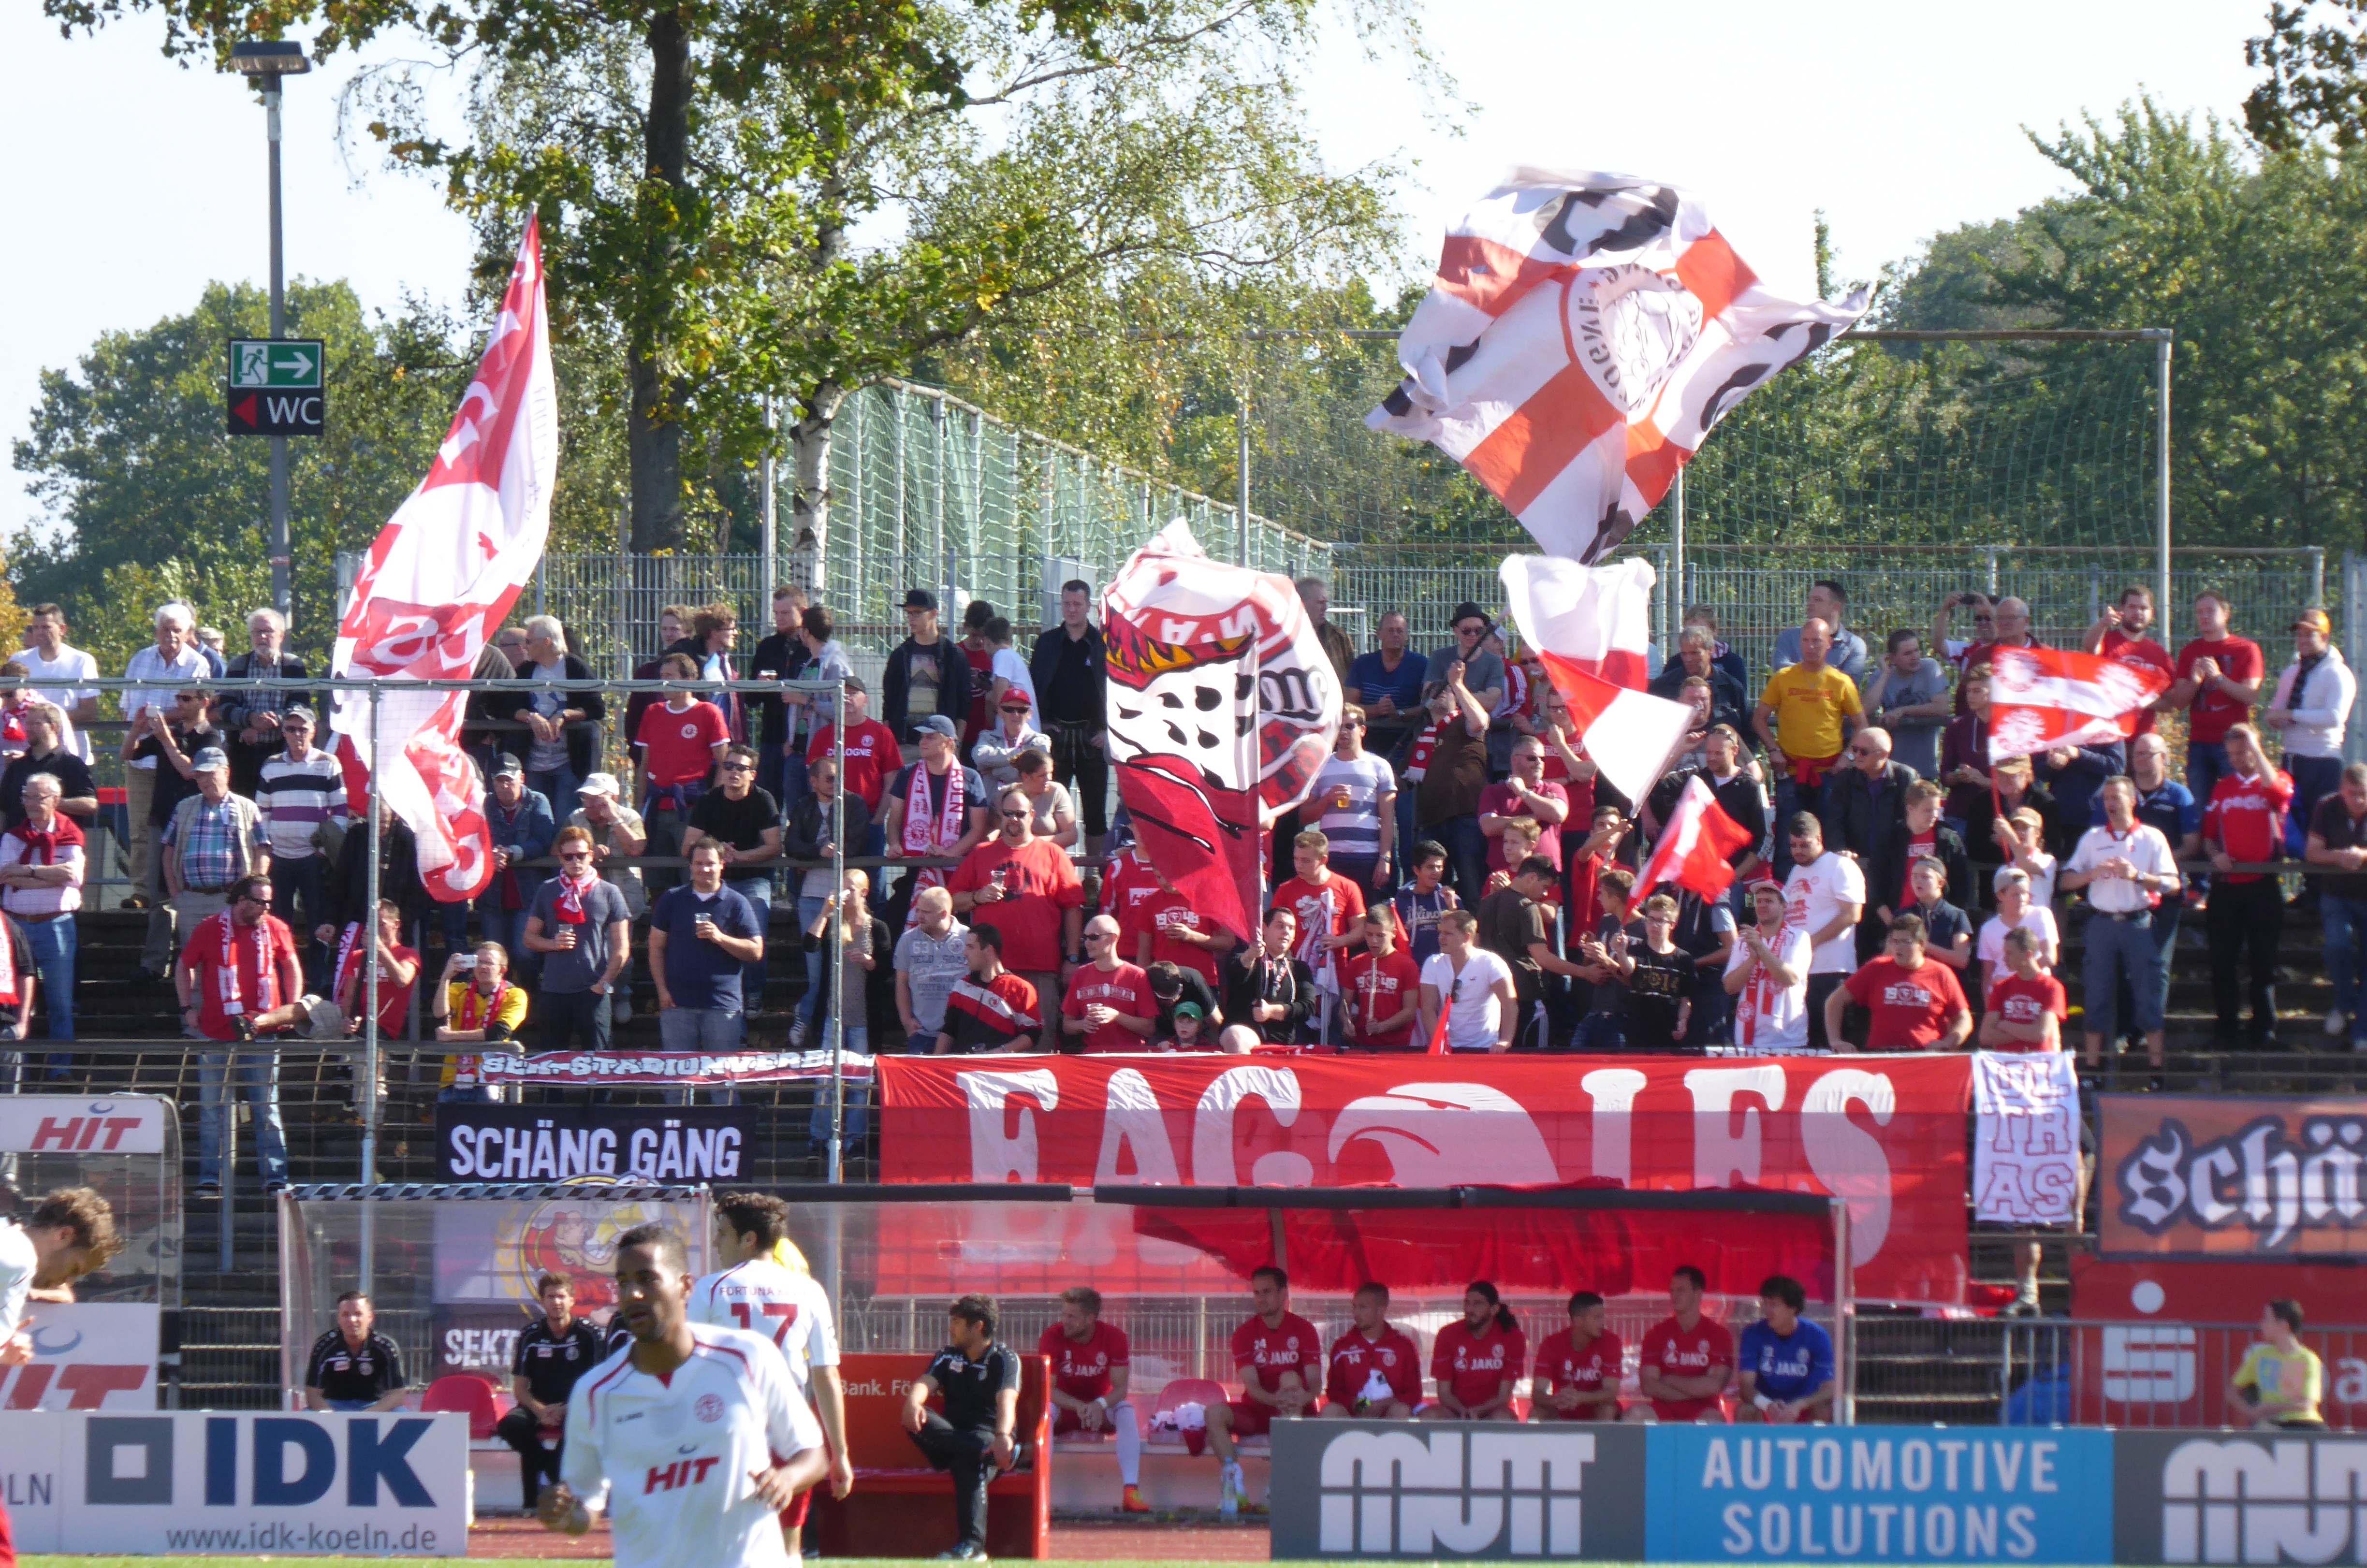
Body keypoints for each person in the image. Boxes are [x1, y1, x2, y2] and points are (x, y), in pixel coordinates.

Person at [539, 1225, 827, 1566]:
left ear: (686, 1287)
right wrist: (562, 1515)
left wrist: (787, 1478)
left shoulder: (748, 1358)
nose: (633, 1294)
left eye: (648, 1279)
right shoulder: (596, 1392)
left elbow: (814, 1454)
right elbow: (585, 1509)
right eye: (624, 1282)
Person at [692, 1192, 856, 1536]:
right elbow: (826, 1375)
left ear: (748, 1239)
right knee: (788, 1545)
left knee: (722, 1543)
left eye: (722, 1233)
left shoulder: (711, 1289)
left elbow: (689, 1368)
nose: (716, 1242)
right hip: (790, 1429)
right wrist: (840, 1453)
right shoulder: (809, 1290)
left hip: (728, 1426)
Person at [179, 873, 297, 1193]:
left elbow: (291, 965)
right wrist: (186, 1007)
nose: (266, 908)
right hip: (215, 1033)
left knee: (267, 1109)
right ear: (241, 901)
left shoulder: (276, 927)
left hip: (262, 1032)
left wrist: (293, 1007)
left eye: (269, 903)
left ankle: (275, 1178)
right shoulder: (209, 928)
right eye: (260, 902)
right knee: (212, 1109)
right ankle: (211, 1177)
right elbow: (184, 964)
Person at [2064, 775, 2184, 1075]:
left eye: (2117, 798)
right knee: (2097, 993)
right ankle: (2092, 1069)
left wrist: (2138, 876)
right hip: (2102, 923)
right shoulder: (2093, 838)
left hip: (2138, 923)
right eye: (2107, 799)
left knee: (2148, 993)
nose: (2111, 804)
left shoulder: (2152, 837)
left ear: (2133, 800)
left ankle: (2156, 1070)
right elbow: (2066, 880)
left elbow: (2173, 885)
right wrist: (2091, 875)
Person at [948, 786, 1083, 1045]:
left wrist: (1073, 957)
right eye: (1008, 813)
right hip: (991, 971)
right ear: (1000, 815)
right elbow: (953, 899)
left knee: (1039, 1046)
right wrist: (977, 897)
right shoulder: (981, 853)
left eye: (1020, 814)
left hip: (1041, 968)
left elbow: (1073, 908)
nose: (1014, 819)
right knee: (990, 1047)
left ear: (1032, 816)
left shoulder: (1053, 853)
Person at [898, 1294, 1023, 1560]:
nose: (950, 1328)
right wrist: (913, 1402)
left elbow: (1007, 1400)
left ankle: (972, 1548)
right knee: (920, 1419)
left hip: (989, 1435)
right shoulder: (948, 1355)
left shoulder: (1004, 1358)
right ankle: (980, 1451)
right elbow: (926, 1382)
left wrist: (1002, 1436)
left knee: (968, 1464)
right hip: (953, 1440)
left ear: (977, 1326)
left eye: (956, 1322)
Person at [2203, 723, 2293, 1045]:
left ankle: (2264, 1030)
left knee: (2263, 962)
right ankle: (2226, 1028)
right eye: (2232, 754)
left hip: (2263, 885)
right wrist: (2216, 855)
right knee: (2222, 962)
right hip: (2227, 886)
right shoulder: (2222, 788)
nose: (2238, 759)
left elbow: (2280, 795)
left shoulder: (2276, 778)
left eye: (2243, 752)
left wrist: (2255, 748)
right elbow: (2209, 836)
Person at [120, 602, 212, 912]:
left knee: (178, 828)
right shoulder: (139, 660)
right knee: (139, 830)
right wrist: (139, 727)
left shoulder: (198, 665)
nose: (171, 635)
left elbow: (197, 707)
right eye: (166, 629)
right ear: (156, 631)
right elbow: (126, 707)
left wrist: (159, 721)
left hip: (177, 757)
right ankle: (141, 891)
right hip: (142, 756)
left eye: (177, 630)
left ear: (188, 633)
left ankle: (175, 891)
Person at [1206, 1266, 1319, 1516]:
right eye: (1257, 1293)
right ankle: (1235, 1486)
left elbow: (1315, 1382)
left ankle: (1281, 1482)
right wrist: (1274, 1400)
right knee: (1214, 1413)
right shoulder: (1245, 1334)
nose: (1261, 1299)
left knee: (1290, 1378)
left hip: (1296, 1412)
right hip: (1259, 1410)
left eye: (1267, 1292)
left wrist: (1301, 1397)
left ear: (1283, 1294)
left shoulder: (1304, 1329)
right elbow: (1252, 1386)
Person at [680, 744, 783, 1010]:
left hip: (753, 878)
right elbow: (687, 847)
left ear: (753, 775)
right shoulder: (709, 800)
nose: (733, 772)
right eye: (729, 766)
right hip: (712, 881)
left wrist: (739, 856)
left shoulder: (763, 799)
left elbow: (774, 846)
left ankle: (754, 994)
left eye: (741, 768)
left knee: (755, 927)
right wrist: (715, 848)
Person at [499, 1272, 608, 1511]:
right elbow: (519, 1389)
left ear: (572, 1300)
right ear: (542, 1301)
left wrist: (565, 1409)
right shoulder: (530, 1335)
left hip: (577, 1407)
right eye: (551, 1297)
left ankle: (550, 1485)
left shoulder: (589, 1335)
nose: (556, 1302)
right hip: (538, 1406)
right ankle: (548, 1467)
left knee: (575, 1437)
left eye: (561, 1297)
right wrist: (540, 1411)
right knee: (509, 1426)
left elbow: (597, 1386)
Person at [1754, 618, 1863, 849]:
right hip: (1790, 772)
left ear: (1829, 644)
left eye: (1817, 641)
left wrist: (1848, 757)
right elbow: (1759, 719)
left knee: (1829, 836)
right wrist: (1773, 750)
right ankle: (1784, 883)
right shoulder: (1783, 678)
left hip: (1830, 773)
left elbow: (1861, 725)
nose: (1811, 647)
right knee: (1788, 838)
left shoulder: (1842, 682)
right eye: (1806, 641)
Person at [785, 755, 871, 1047]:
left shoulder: (854, 803)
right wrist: (817, 852)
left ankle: (814, 1021)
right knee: (816, 969)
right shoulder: (803, 805)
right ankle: (808, 1017)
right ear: (814, 781)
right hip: (812, 895)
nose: (837, 783)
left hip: (846, 897)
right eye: (830, 778)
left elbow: (857, 842)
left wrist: (822, 853)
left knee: (841, 970)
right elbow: (792, 844)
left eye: (840, 777)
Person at [649, 840, 766, 1050]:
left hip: (722, 1005)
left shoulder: (737, 902)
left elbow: (756, 951)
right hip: (677, 1004)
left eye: (710, 863)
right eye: (698, 863)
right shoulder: (672, 899)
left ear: (722, 864)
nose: (704, 869)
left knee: (720, 1079)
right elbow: (656, 947)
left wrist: (720, 938)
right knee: (678, 1079)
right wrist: (662, 991)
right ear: (691, 866)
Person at [254, 707, 346, 976]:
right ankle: (280, 979)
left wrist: (321, 850)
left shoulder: (328, 763)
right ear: (283, 732)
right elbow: (262, 812)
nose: (297, 735)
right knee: (279, 923)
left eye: (302, 729)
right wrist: (269, 847)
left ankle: (318, 980)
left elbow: (340, 811)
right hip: (279, 858)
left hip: (312, 858)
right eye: (291, 729)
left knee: (319, 922)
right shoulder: (271, 765)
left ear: (313, 731)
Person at [1037, 1286, 1146, 1512]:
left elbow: (1121, 1390)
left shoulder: (1115, 1338)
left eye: (1072, 1316)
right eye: (1064, 1315)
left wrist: (1099, 1405)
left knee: (1125, 1409)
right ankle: (1040, 1494)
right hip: (1066, 1410)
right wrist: (1080, 1406)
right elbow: (1048, 1388)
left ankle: (1130, 1492)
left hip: (1098, 1412)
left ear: (1091, 1318)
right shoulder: (1052, 1337)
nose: (1065, 1321)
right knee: (1045, 1409)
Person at [524, 828, 634, 1050]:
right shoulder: (547, 890)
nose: (575, 861)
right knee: (552, 1067)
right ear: (560, 858)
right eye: (568, 857)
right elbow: (529, 938)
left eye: (581, 855)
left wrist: (604, 984)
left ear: (591, 855)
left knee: (598, 1066)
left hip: (593, 989)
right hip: (554, 989)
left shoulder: (610, 892)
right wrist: (553, 944)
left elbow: (622, 948)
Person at [881, 716, 991, 932]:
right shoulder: (907, 774)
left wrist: (950, 853)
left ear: (949, 742)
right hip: (915, 870)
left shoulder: (971, 778)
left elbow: (979, 829)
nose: (923, 742)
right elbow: (894, 821)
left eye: (930, 737)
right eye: (922, 737)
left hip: (957, 876)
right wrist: (894, 844)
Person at [0, 774, 83, 1053]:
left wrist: (28, 871)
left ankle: (61, 1070)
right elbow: (5, 877)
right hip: (15, 927)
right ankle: (16, 1065)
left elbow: (73, 877)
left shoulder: (71, 834)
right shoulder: (12, 837)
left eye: (39, 798)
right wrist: (51, 877)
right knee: (14, 1005)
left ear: (56, 801)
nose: (31, 804)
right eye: (28, 797)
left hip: (56, 925)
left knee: (60, 1002)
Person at [2267, 609, 2355, 865]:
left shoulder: (2338, 673)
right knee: (2294, 827)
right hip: (2292, 758)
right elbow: (2277, 709)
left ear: (2325, 637)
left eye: (2310, 634)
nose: (2303, 640)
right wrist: (2274, 718)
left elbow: (2335, 717)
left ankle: (2319, 892)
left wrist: (2292, 714)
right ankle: (2304, 888)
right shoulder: (2292, 671)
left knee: (2321, 829)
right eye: (2300, 634)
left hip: (2322, 759)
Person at [635, 652, 731, 887]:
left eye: (670, 676)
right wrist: (639, 807)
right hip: (657, 807)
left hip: (691, 809)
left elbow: (724, 764)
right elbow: (644, 764)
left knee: (692, 876)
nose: (664, 681)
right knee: (656, 881)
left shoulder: (708, 712)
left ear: (688, 680)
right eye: (662, 676)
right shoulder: (653, 712)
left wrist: (713, 804)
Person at [1029, 580, 1110, 855]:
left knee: (1096, 813)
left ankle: (1092, 881)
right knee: (1050, 813)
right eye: (1067, 604)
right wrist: (1044, 725)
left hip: (1093, 739)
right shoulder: (1048, 643)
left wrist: (1108, 730)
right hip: (1057, 740)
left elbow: (1119, 689)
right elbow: (1035, 687)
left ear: (1089, 606)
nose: (1072, 610)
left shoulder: (1102, 644)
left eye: (1077, 604)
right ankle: (1054, 877)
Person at [2167, 590, 2266, 811]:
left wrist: (2219, 678)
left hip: (2234, 744)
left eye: (2210, 611)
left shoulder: (2246, 649)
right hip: (2200, 742)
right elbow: (2179, 703)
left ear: (2226, 614)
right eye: (2199, 612)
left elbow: (2251, 695)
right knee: (2199, 807)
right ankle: (2204, 846)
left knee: (2239, 803)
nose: (2204, 617)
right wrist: (2194, 682)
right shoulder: (2190, 652)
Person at [460, 754, 556, 968]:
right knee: (495, 957)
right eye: (499, 781)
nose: (504, 786)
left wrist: (512, 853)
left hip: (529, 895)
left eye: (509, 781)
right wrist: (490, 854)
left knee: (525, 954)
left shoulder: (538, 802)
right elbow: (472, 838)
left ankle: (530, 996)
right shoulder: (485, 805)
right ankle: (499, 999)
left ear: (522, 778)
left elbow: (543, 841)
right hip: (493, 897)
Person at [1826, 913, 1972, 1053]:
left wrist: (1948, 1043)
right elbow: (1834, 1002)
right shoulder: (1877, 968)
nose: (1898, 947)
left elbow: (1964, 1019)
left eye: (1905, 942)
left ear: (1921, 944)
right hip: (1882, 1055)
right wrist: (1836, 1041)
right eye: (1894, 941)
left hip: (1924, 1055)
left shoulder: (1941, 973)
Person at [1782, 813, 1863, 1053]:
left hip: (1832, 969)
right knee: (1809, 1046)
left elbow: (1852, 915)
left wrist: (1808, 944)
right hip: (1800, 973)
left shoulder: (1841, 865)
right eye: (1794, 845)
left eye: (1805, 845)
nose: (1799, 851)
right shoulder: (1795, 872)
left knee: (1833, 1046)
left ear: (1820, 839)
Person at [510, 616, 607, 813]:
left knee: (565, 821)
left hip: (568, 764)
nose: (525, 647)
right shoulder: (526, 670)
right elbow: (509, 706)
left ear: (546, 643)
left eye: (529, 642)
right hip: (534, 764)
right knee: (537, 821)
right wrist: (531, 717)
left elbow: (596, 708)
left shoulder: (575, 667)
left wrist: (564, 715)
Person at [1415, 662, 1493, 903]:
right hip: (1431, 822)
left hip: (1465, 818)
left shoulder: (1463, 724)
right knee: (1435, 891)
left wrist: (1458, 684)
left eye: (1446, 691)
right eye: (1434, 692)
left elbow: (1480, 721)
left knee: (1472, 883)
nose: (1441, 693)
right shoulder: (1422, 735)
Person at [218, 607, 316, 797]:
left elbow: (302, 706)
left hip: (282, 750)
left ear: (281, 636)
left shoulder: (293, 666)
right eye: (257, 632)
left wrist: (271, 721)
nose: (262, 637)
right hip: (243, 752)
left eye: (268, 631)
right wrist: (249, 719)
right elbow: (225, 707)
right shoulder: (238, 665)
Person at [805, 677, 900, 866]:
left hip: (869, 818)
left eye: (853, 693)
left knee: (871, 884)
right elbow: (813, 778)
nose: (847, 698)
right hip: (831, 819)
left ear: (865, 700)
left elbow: (893, 780)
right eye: (842, 694)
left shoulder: (881, 734)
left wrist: (880, 817)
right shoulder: (824, 736)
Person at [1486, 856, 1576, 1049]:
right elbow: (1541, 957)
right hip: (1527, 995)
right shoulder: (1528, 908)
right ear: (1532, 878)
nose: (1544, 894)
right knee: (1535, 1059)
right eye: (1545, 887)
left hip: (1494, 998)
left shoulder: (1487, 903)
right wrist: (1585, 973)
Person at [2308, 763, 2367, 1052]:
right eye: (2353, 794)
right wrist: (2340, 858)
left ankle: (2361, 1030)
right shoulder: (2326, 808)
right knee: (2337, 946)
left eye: (2364, 795)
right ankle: (2344, 1003)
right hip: (2336, 895)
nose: (2359, 801)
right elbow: (2313, 852)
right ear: (2342, 791)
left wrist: (2362, 855)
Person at [1628, 1266, 1734, 1424]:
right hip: (1663, 1408)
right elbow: (1649, 1385)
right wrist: (1693, 1392)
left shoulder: (1719, 1335)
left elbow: (1714, 1386)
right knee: (1633, 1416)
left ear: (1698, 1293)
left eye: (1681, 1290)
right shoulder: (1656, 1334)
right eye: (1673, 1291)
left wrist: (1670, 1380)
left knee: (1714, 1422)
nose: (1675, 1296)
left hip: (1703, 1409)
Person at [1725, 880, 1814, 1055]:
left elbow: (1790, 978)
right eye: (1759, 901)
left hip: (1788, 1039)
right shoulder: (1744, 940)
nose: (1762, 905)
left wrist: (1760, 949)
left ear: (1784, 906)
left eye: (1769, 901)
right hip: (1747, 1038)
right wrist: (1752, 960)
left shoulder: (1799, 938)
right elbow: (1730, 987)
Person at [1313, 707, 1397, 893]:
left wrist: (1385, 858)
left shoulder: (1380, 766)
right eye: (1339, 726)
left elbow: (1388, 817)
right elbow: (1305, 817)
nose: (1343, 731)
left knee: (1367, 918)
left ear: (1363, 730)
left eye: (1349, 726)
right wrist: (1327, 800)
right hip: (1329, 855)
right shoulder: (1320, 766)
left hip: (1367, 855)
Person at [1735, 1275, 1836, 1425]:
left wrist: (1800, 1405)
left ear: (1793, 1309)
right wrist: (1767, 1405)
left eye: (1774, 1305)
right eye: (1765, 1304)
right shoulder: (1753, 1333)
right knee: (1746, 1411)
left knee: (1825, 1412)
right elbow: (1746, 1385)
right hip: (1767, 1406)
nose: (1767, 1311)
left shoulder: (1817, 1336)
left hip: (1803, 1407)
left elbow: (1830, 1389)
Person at [748, 586, 815, 809]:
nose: (779, 619)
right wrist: (759, 687)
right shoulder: (768, 646)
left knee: (803, 806)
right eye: (776, 613)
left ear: (802, 612)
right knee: (767, 804)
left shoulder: (812, 648)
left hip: (805, 741)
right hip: (772, 738)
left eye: (785, 613)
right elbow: (750, 700)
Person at [432, 941, 525, 1101]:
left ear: (503, 970)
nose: (482, 967)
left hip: (491, 1080)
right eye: (479, 962)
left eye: (489, 963)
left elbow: (498, 1033)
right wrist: (445, 978)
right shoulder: (458, 989)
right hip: (453, 1078)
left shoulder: (515, 994)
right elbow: (440, 1017)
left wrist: (451, 1037)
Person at [1216, 907, 1317, 1052]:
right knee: (1236, 1036)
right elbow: (1235, 974)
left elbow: (1308, 1007)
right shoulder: (1244, 954)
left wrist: (1272, 1011)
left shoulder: (1300, 968)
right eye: (1280, 926)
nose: (1286, 932)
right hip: (1245, 1031)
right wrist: (1250, 955)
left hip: (1281, 1041)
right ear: (1264, 929)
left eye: (1291, 928)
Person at [883, 588, 973, 751]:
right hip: (905, 744)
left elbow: (963, 705)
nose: (911, 618)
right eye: (908, 613)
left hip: (941, 743)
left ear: (934, 614)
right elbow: (889, 704)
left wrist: (956, 744)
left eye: (917, 613)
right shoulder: (900, 655)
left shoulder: (953, 656)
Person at [1416, 907, 1516, 1053]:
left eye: (1448, 934)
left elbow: (1510, 1004)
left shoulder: (1491, 962)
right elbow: (1428, 1008)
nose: (1441, 938)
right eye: (1440, 933)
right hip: (1448, 1050)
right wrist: (1440, 1042)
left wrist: (1505, 1041)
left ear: (1467, 937)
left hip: (1483, 1049)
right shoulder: (1433, 963)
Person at [11, 604, 100, 763]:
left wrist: (49, 721)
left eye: (46, 627)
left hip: (72, 754)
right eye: (36, 628)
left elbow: (89, 711)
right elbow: (7, 704)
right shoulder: (19, 661)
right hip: (28, 753)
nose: (40, 632)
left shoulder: (81, 661)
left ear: (62, 629)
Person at [935, 924, 1043, 1054]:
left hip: (1001, 1068)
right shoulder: (961, 987)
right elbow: (948, 1031)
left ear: (989, 950)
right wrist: (936, 1062)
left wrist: (1000, 1052)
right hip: (964, 1067)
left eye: (971, 947)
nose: (965, 953)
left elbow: (1032, 1034)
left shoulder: (1021, 989)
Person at [1426, 1282, 1525, 1422]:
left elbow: (1503, 1397)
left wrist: (1477, 1411)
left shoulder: (1513, 1337)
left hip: (1493, 1411)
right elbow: (1444, 1393)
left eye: (1478, 1304)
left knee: (1503, 1418)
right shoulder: (1447, 1335)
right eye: (1467, 1303)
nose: (1470, 1309)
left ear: (1494, 1309)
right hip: (1455, 1410)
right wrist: (1463, 1411)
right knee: (1429, 1416)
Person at [1320, 1282, 1420, 1420]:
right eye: (1354, 1307)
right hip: (1355, 1415)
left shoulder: (1403, 1347)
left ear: (1381, 1311)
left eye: (1363, 1308)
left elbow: (1414, 1394)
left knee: (1401, 1411)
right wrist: (1359, 1404)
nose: (1356, 1313)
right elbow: (1334, 1392)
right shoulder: (1342, 1347)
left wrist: (1383, 1404)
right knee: (1330, 1411)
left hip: (1389, 1414)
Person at [1859, 629, 1950, 779]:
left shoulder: (1930, 668)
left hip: (1924, 768)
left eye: (1917, 651)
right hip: (1891, 769)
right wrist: (1886, 674)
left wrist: (1902, 711)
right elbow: (1867, 709)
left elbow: (1942, 708)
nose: (1915, 657)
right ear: (1893, 658)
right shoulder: (1883, 675)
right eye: (1908, 654)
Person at [2086, 586, 2175, 737]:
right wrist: (2103, 623)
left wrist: (2143, 702)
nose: (2138, 613)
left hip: (2143, 737)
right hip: (2110, 735)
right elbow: (2089, 647)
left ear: (2152, 613)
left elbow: (2171, 703)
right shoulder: (2108, 640)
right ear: (2122, 610)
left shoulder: (2160, 654)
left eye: (2143, 608)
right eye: (2132, 607)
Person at [1820, 727, 1913, 868]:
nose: (1857, 755)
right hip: (1855, 861)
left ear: (1884, 755)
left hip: (1894, 863)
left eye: (1864, 752)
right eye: (1855, 749)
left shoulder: (1905, 778)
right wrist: (1840, 850)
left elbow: (1910, 822)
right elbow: (1834, 822)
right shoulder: (1845, 779)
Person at [1479, 736, 1571, 877]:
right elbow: (1489, 827)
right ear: (1514, 760)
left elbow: (1558, 815)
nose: (1539, 763)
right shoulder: (1493, 791)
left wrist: (1523, 792)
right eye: (1532, 758)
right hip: (1505, 874)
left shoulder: (1553, 789)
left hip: (1545, 875)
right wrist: (1537, 816)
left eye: (1543, 759)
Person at [1061, 914, 1154, 1052]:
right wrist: (1083, 1024)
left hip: (1129, 1057)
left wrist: (1116, 1016)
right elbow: (1067, 1026)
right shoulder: (1081, 974)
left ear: (1113, 938)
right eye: (1085, 938)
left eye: (1094, 938)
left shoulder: (1137, 975)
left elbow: (1150, 1028)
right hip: (1093, 1056)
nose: (1087, 943)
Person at [302, 1289, 408, 1411]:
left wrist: (366, 1416)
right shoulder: (324, 1346)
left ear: (370, 1317)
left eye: (358, 1314)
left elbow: (398, 1394)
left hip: (374, 1407)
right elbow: (313, 1394)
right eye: (346, 1315)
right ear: (339, 1319)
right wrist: (330, 1416)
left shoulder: (386, 1347)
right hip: (334, 1407)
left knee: (401, 1413)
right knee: (307, 1413)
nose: (352, 1320)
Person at [2228, 1300, 2325, 1430]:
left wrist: (2271, 1408)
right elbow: (2231, 1391)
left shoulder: (2308, 1359)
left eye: (2267, 1319)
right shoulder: (2260, 1356)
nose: (2262, 1324)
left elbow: (2306, 1405)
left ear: (2283, 1325)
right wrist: (2251, 1412)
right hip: (2272, 1424)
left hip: (2304, 1423)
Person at [895, 886, 970, 1048]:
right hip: (922, 1032)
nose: (919, 916)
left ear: (944, 914)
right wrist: (907, 1020)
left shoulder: (968, 937)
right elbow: (902, 982)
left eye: (926, 913)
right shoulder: (908, 940)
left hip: (960, 1032)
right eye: (919, 910)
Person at [1619, 894, 1696, 1049]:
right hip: (1636, 1036)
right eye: (1651, 919)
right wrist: (1621, 952)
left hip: (1668, 1038)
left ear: (1672, 925)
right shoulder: (1637, 951)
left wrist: (1683, 1022)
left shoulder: (1684, 959)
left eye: (1660, 921)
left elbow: (1686, 998)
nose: (1654, 925)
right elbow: (1627, 969)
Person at [1346, 611, 1427, 759]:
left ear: (1407, 635)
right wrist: (1377, 709)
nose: (1396, 635)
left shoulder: (1421, 664)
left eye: (1400, 631)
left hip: (1406, 740)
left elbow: (1427, 707)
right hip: (1366, 740)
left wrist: (1399, 714)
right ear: (1379, 634)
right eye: (1391, 631)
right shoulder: (1362, 664)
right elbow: (1349, 707)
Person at [0, 702, 93, 831]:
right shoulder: (17, 766)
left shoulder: (71, 764)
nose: (28, 729)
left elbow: (91, 804)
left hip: (59, 843)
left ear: (53, 727)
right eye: (27, 723)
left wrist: (51, 802)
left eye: (36, 724)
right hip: (18, 844)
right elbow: (3, 810)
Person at [1941, 594, 2040, 714]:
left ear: (2026, 621)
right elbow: (1965, 703)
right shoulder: (1980, 657)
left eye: (2012, 618)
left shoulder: (2044, 655)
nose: (2005, 623)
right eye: (2001, 618)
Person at [1533, 1292, 1622, 1423]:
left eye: (1603, 1318)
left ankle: (1602, 1444)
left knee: (1607, 1410)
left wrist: (1580, 1398)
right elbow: (1537, 1394)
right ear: (1578, 1321)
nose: (1603, 1323)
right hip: (1562, 1409)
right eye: (1597, 1318)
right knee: (1536, 1413)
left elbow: (1611, 1393)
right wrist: (1557, 1400)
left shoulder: (1611, 1342)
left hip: (1596, 1409)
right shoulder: (1552, 1344)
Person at [1648, 627, 1752, 740]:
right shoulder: (1663, 687)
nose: (1688, 659)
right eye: (1684, 654)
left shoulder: (1731, 687)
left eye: (1695, 653)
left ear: (1711, 651)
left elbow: (1748, 730)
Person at [1341, 905, 1421, 1049]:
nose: (1374, 941)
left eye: (1380, 936)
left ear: (1394, 933)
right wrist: (1347, 1022)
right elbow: (1345, 1005)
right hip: (1362, 1044)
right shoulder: (1356, 963)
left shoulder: (1407, 965)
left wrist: (1381, 1027)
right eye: (1369, 935)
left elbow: (1410, 1012)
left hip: (1397, 1046)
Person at [1980, 926, 2068, 1052]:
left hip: (2039, 1063)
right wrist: (2027, 1033)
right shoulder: (2002, 988)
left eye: (2010, 953)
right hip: (2006, 1065)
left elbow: (2040, 1034)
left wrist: (2004, 1025)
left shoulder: (2051, 987)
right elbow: (1986, 1036)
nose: (2005, 959)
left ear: (2028, 955)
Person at [1976, 867, 2060, 995]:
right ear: (2000, 896)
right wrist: (1990, 1010)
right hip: (2003, 995)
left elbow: (2049, 958)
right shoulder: (1988, 929)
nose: (2022, 899)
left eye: (2025, 893)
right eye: (2015, 895)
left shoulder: (2042, 915)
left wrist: (2013, 981)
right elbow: (1988, 975)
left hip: (2037, 989)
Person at [1938, 664, 1994, 834]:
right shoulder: (1957, 727)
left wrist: (1983, 780)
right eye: (1969, 691)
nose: (1971, 696)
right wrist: (1958, 776)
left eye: (1978, 691)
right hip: (1961, 812)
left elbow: (2022, 781)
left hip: (1996, 813)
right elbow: (1945, 777)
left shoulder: (2010, 727)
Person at [1773, 581, 1869, 681]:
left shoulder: (1854, 645)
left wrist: (1805, 673)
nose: (1810, 604)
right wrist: (1829, 674)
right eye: (1810, 599)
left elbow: (1850, 683)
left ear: (1836, 607)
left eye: (1818, 600)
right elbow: (1780, 669)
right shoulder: (1789, 637)